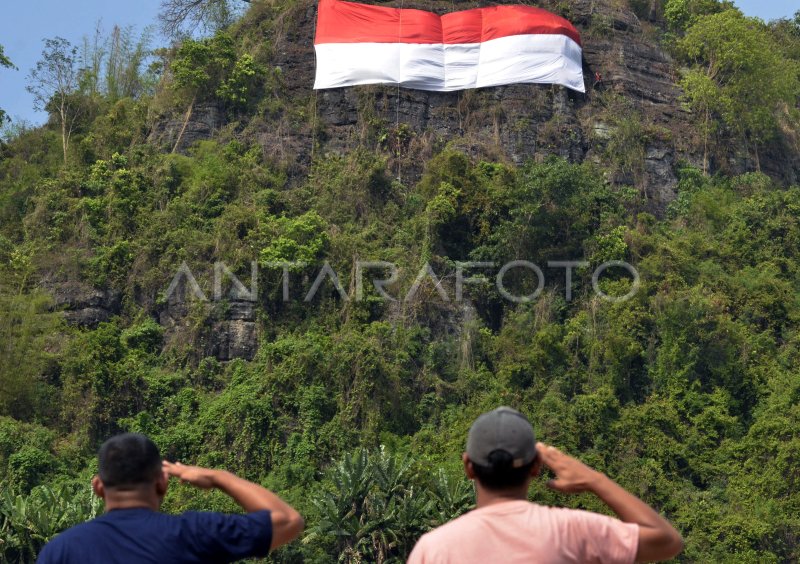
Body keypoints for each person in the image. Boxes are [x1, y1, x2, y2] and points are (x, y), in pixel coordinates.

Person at [408, 407, 683, 563]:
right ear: (537, 466)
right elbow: (667, 541)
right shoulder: (570, 530)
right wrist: (594, 479)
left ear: (469, 467)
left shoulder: (433, 549)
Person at [37, 433, 304, 563]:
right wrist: (216, 476)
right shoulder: (195, 534)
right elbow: (287, 520)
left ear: (98, 487)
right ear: (163, 483)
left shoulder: (60, 551)